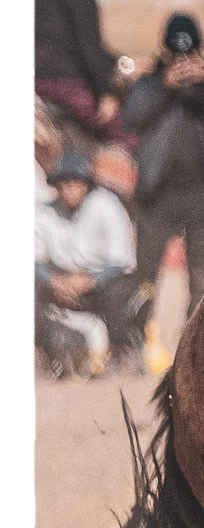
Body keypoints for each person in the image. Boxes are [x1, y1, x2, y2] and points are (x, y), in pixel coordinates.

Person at [123, 13, 204, 313]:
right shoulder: (150, 84)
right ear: (165, 53)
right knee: (145, 279)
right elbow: (132, 116)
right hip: (158, 192)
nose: (182, 62)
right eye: (175, 55)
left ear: (199, 52)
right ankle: (140, 334)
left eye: (189, 54)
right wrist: (164, 86)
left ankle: (194, 339)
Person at [35, 150, 139, 376]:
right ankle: (42, 354)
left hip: (104, 282)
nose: (68, 189)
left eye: (74, 183)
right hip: (63, 282)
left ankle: (121, 354)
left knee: (119, 292)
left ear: (86, 184)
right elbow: (34, 260)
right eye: (63, 184)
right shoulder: (45, 213)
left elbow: (121, 260)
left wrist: (91, 280)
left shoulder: (107, 205)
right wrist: (53, 281)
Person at [34, 0, 126, 142]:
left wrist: (123, 63)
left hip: (35, 81)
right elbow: (89, 47)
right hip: (64, 82)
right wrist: (105, 93)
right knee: (120, 131)